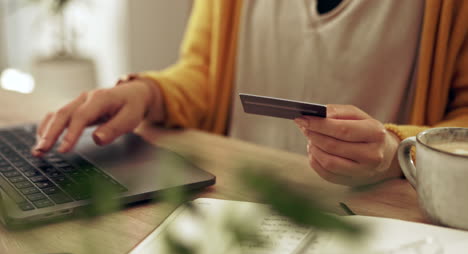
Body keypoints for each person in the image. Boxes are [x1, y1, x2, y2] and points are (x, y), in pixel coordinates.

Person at [32, 0, 468, 186]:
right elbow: (205, 72)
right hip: (238, 203)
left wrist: (398, 154)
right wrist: (149, 93)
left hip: (375, 223)